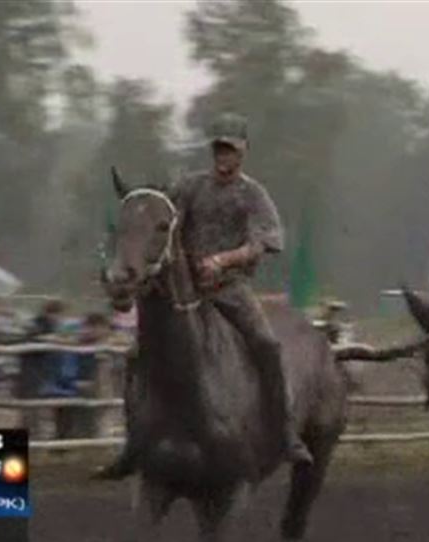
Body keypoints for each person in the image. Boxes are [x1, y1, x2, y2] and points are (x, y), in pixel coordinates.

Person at [97, 112, 313, 480]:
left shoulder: (252, 194)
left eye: (230, 149)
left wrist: (224, 260)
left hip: (230, 288)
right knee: (137, 353)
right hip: (185, 288)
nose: (224, 155)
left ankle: (285, 433)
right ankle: (135, 442)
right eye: (219, 148)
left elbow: (267, 240)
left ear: (243, 151)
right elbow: (160, 217)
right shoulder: (190, 187)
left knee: (266, 345)